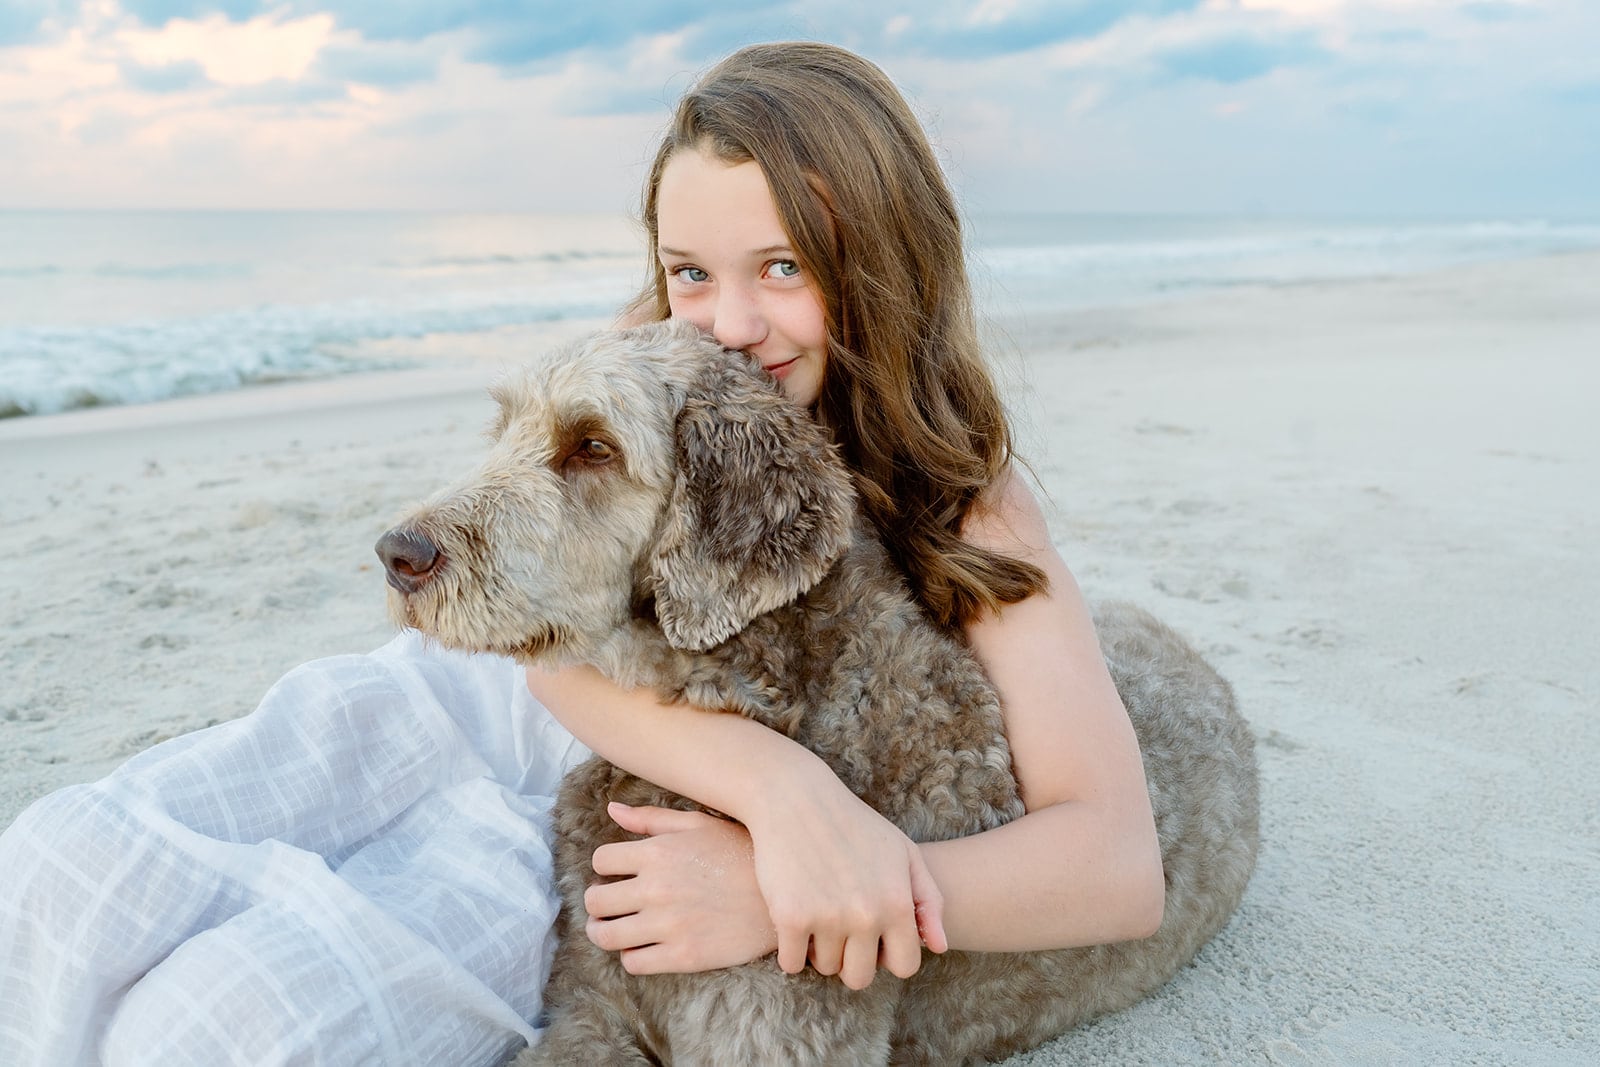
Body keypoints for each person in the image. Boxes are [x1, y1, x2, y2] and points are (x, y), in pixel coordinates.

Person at [0, 41, 1163, 1066]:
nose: (725, 323)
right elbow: (556, 662)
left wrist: (799, 880)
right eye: (689, 270)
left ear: (884, 264)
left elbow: (1116, 864)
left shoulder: (969, 504)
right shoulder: (645, 366)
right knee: (63, 865)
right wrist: (779, 790)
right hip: (489, 680)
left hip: (583, 798)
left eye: (784, 267)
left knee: (239, 1021)